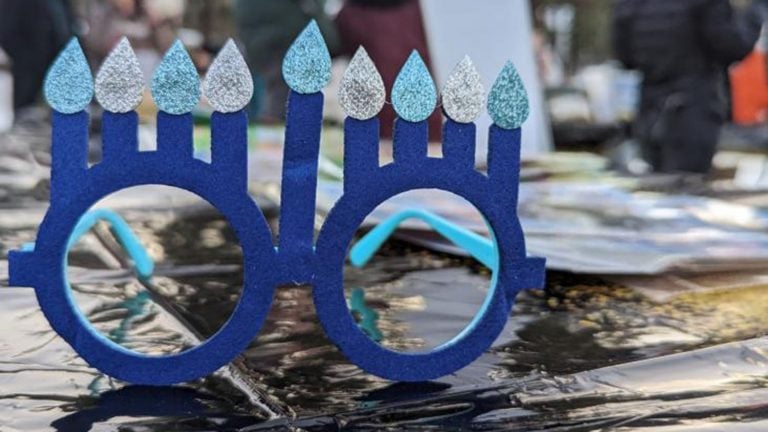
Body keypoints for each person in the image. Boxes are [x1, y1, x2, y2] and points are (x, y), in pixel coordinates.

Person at [613, 0, 762, 174]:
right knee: (688, 184)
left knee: (657, 183)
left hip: (649, 111)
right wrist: (755, 14)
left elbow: (625, 58)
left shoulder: (631, 4)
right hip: (693, 111)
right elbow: (733, 47)